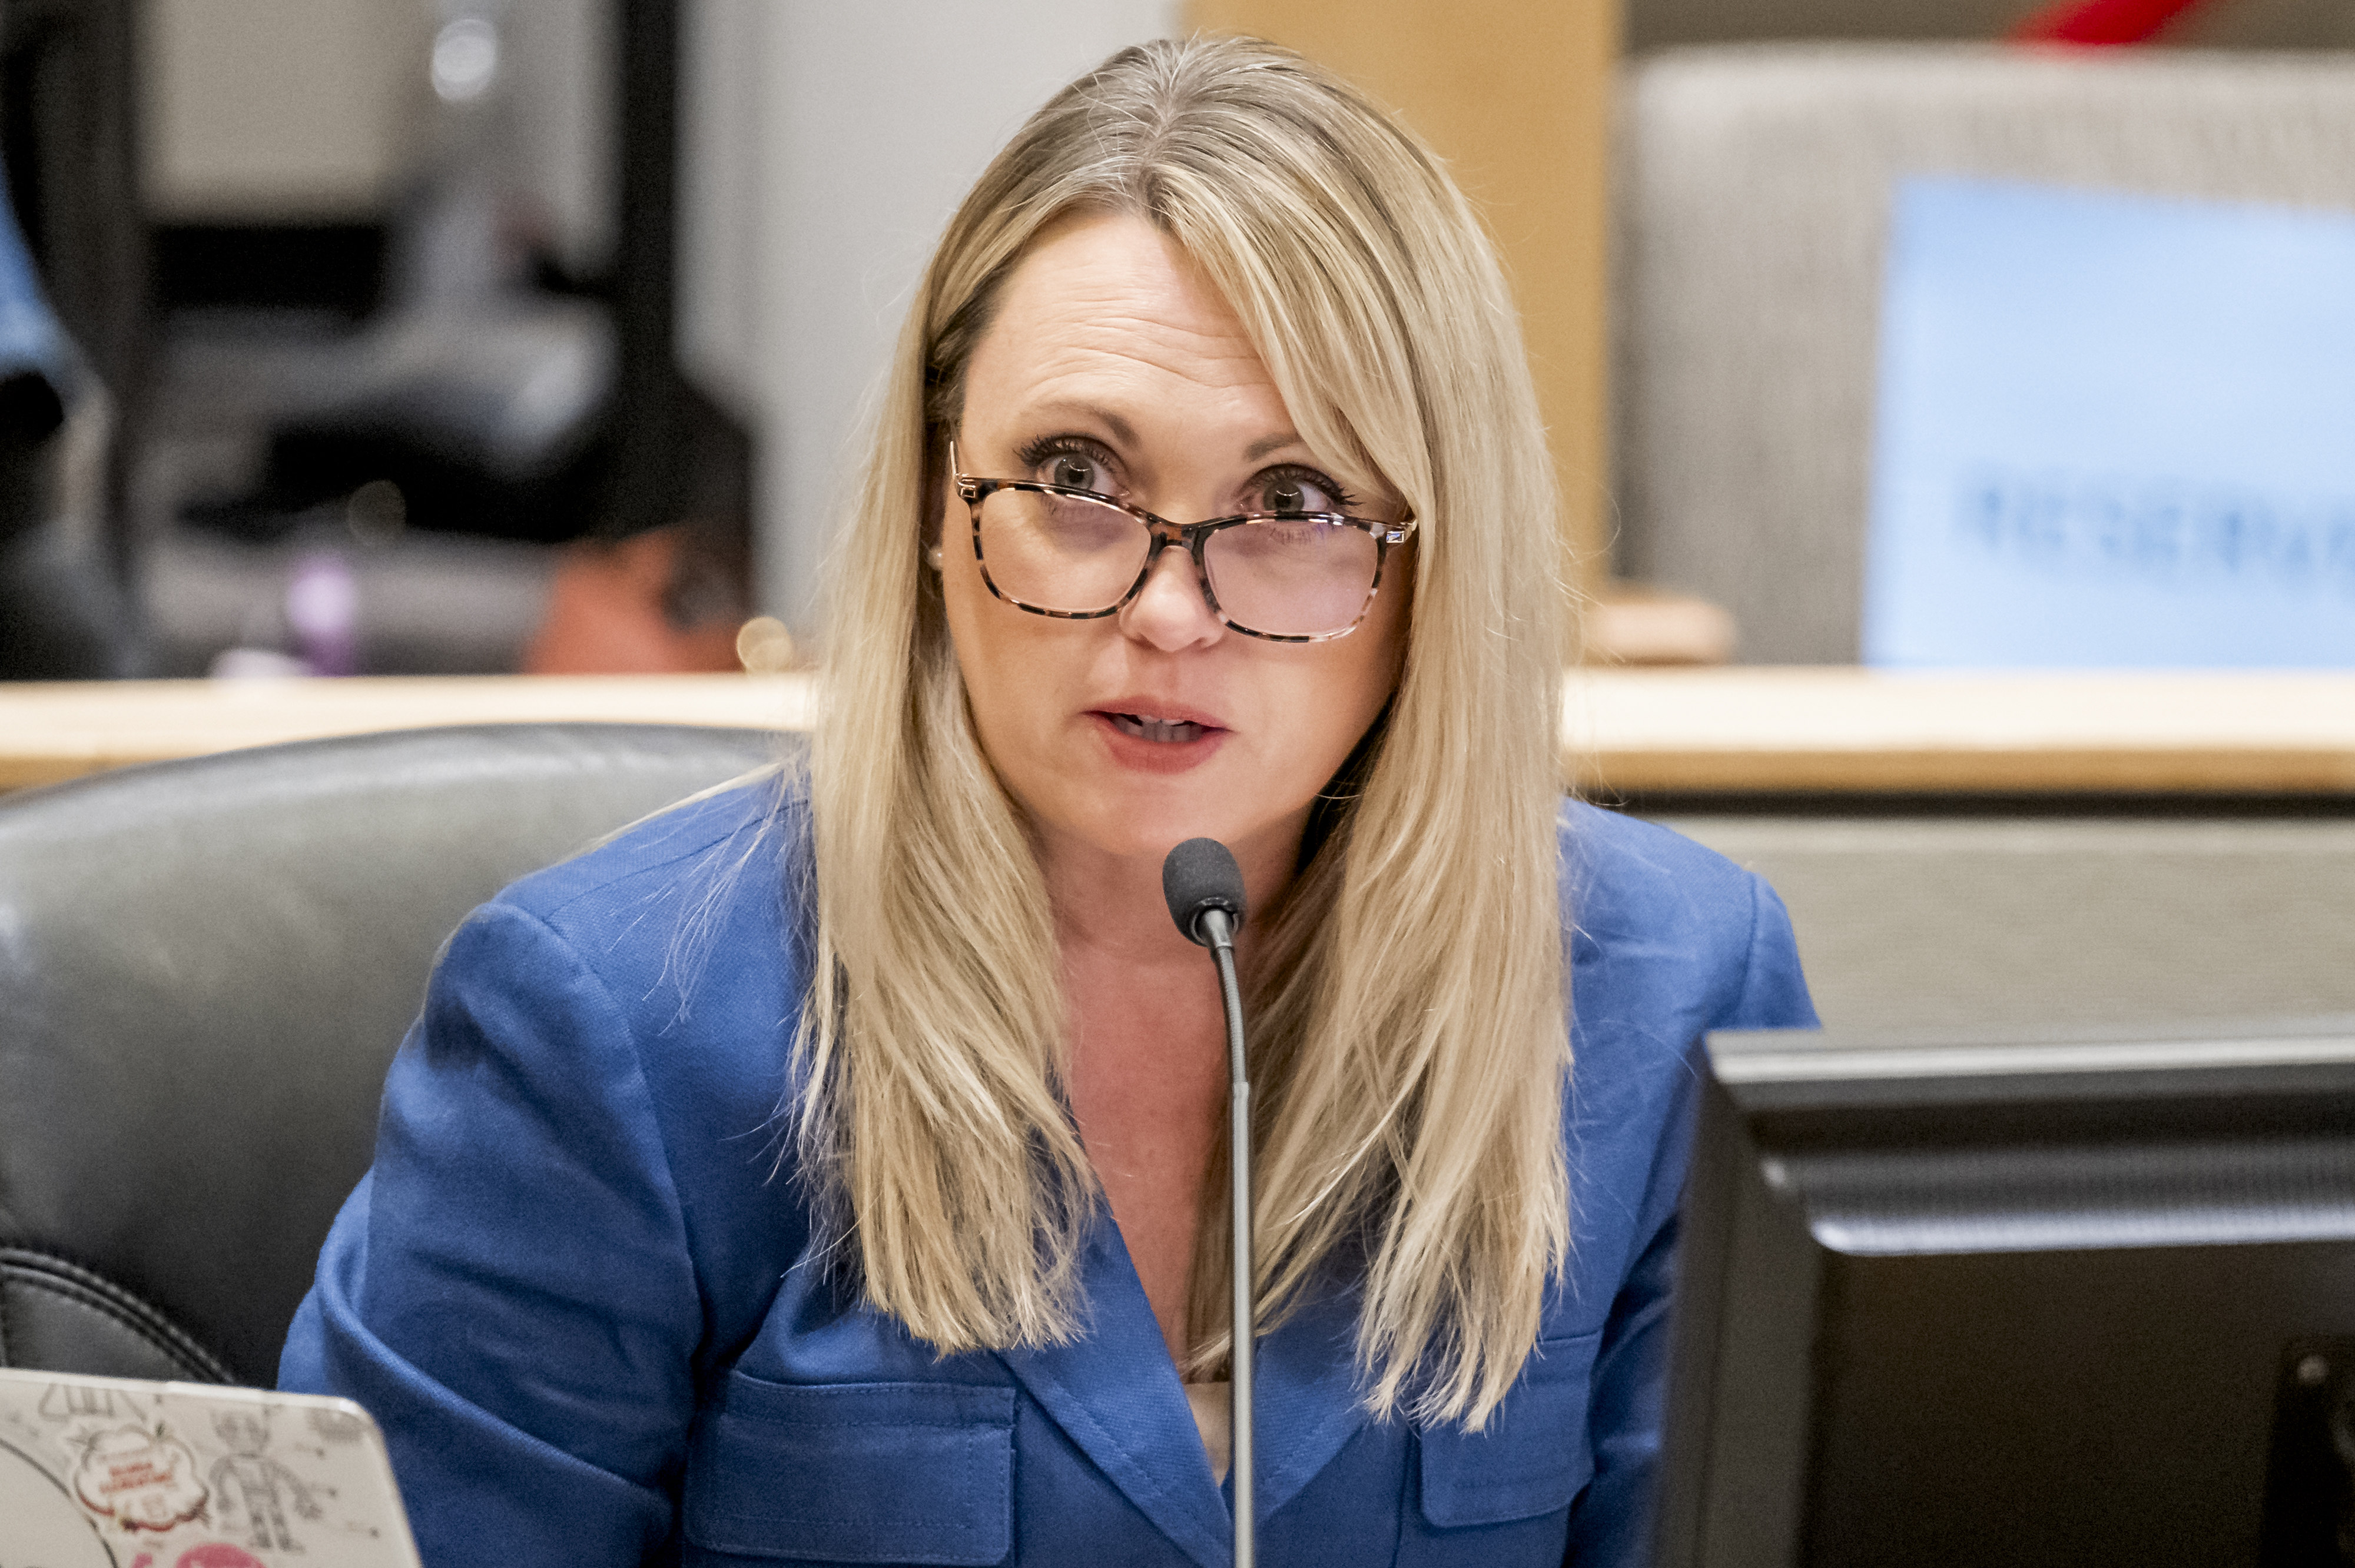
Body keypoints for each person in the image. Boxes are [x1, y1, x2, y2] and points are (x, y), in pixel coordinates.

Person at [281, 35, 1814, 1567]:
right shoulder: (618, 1022)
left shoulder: (1668, 993)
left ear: (1432, 570)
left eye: (1291, 505)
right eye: (1077, 476)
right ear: (940, 515)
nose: (1167, 608)